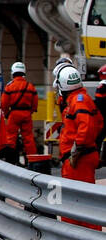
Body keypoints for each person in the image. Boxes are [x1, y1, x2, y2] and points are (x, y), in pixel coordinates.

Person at [48, 66, 102, 230]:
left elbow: (86, 126)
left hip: (79, 161)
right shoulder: (80, 99)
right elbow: (98, 123)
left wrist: (76, 150)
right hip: (80, 158)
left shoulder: (78, 101)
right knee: (79, 202)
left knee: (77, 204)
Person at [0, 62, 39, 165]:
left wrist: (7, 114)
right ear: (24, 72)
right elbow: (35, 103)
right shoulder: (30, 86)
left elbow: (4, 103)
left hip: (14, 114)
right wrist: (30, 112)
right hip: (26, 114)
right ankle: (32, 160)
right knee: (28, 138)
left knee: (11, 137)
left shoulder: (9, 87)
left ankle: (11, 161)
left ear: (13, 73)